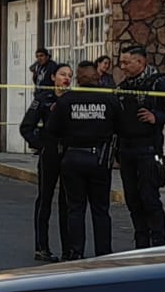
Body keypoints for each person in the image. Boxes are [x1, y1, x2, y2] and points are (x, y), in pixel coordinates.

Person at [115, 45, 165, 249]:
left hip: (148, 149)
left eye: (126, 62)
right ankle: (141, 241)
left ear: (140, 62)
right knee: (132, 199)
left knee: (149, 198)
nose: (122, 66)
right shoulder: (122, 87)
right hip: (126, 150)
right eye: (121, 62)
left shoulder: (159, 83)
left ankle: (158, 243)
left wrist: (158, 117)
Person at [48, 60, 118, 259]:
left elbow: (52, 129)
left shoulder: (66, 100)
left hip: (73, 157)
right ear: (97, 77)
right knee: (101, 209)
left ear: (78, 79)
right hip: (99, 158)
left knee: (75, 209)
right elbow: (121, 127)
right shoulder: (109, 100)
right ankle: (103, 253)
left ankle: (75, 253)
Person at [19, 63, 73, 262]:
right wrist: (41, 146)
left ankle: (69, 249)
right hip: (49, 153)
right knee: (45, 199)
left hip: (69, 155)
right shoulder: (43, 99)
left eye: (69, 75)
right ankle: (42, 247)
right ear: (53, 78)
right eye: (62, 74)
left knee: (67, 202)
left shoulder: (73, 99)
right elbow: (26, 127)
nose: (66, 78)